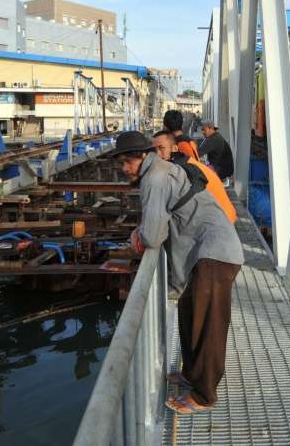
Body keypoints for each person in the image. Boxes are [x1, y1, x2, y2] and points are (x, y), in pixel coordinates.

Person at [112, 131, 244, 415]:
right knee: (189, 313)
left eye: (126, 162)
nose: (124, 169)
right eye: (120, 163)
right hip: (204, 252)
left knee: (208, 325)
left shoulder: (154, 178)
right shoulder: (160, 170)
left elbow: (154, 234)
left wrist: (139, 236)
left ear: (141, 157)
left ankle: (204, 394)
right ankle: (191, 375)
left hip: (214, 253)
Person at [152, 130, 237, 224]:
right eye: (154, 150)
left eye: (161, 148)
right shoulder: (185, 161)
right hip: (224, 216)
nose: (157, 154)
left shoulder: (181, 170)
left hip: (219, 223)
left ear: (175, 149)